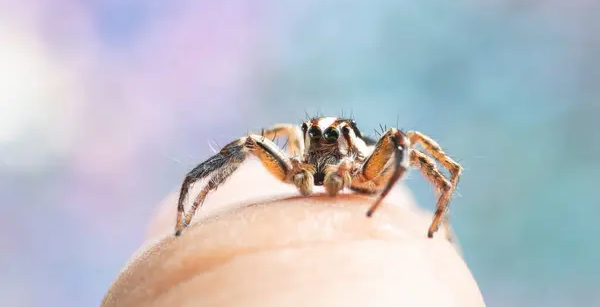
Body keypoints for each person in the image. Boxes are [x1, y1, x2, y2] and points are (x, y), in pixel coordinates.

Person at [102, 160, 485, 306]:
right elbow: (253, 144)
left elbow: (411, 150)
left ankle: (439, 221)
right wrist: (198, 190)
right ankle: (198, 194)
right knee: (250, 145)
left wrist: (432, 218)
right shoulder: (295, 161)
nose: (324, 149)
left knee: (408, 144)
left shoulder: (369, 164)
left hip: (362, 181)